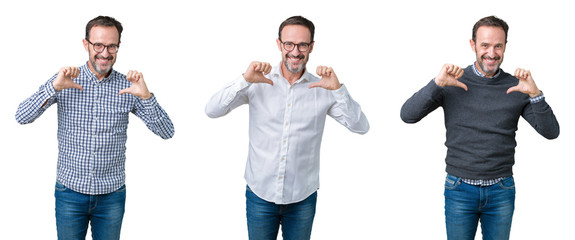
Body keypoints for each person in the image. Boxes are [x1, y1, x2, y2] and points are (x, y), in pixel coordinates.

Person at [205, 15, 369, 240]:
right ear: (279, 44)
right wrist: (245, 79)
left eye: (302, 44)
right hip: (259, 195)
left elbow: (361, 126)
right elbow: (212, 110)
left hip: (302, 198)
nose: (295, 51)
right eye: (289, 44)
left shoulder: (323, 87)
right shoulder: (257, 81)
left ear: (311, 47)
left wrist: (339, 90)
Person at [15, 16, 174, 240]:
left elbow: (167, 132)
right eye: (98, 45)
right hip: (69, 193)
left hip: (111, 196)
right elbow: (22, 116)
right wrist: (53, 88)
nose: (105, 53)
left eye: (112, 46)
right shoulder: (64, 80)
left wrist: (147, 97)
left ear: (119, 46)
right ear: (85, 44)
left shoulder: (130, 87)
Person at [400, 16, 559, 240]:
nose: (491, 53)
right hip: (459, 189)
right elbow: (407, 115)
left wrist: (535, 94)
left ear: (505, 47)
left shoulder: (517, 86)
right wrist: (436, 84)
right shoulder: (452, 81)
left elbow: (551, 132)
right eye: (485, 45)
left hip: (501, 190)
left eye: (498, 46)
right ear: (473, 45)